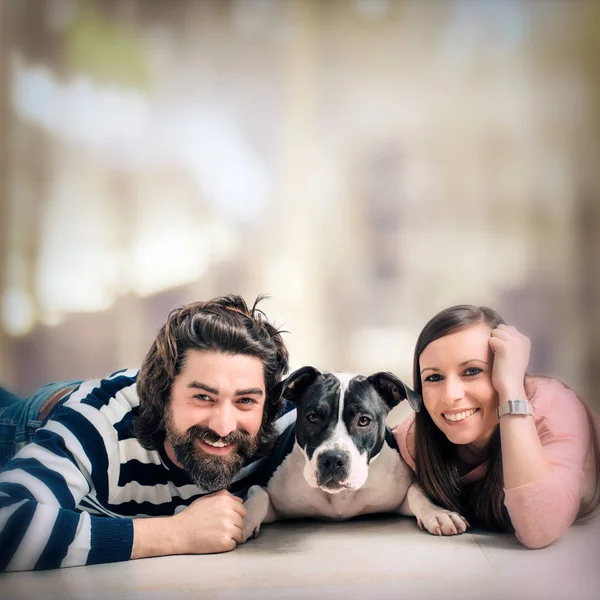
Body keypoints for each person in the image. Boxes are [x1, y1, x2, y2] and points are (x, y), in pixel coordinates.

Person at [0, 294, 293, 571]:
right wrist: (176, 533)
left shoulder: (292, 422)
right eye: (203, 397)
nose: (224, 426)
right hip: (28, 426)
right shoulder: (100, 427)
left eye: (245, 401)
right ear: (162, 394)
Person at [393, 305, 600, 549]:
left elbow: (540, 530)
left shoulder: (556, 410)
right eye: (434, 377)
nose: (450, 396)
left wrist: (511, 389)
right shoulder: (413, 438)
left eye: (472, 371)